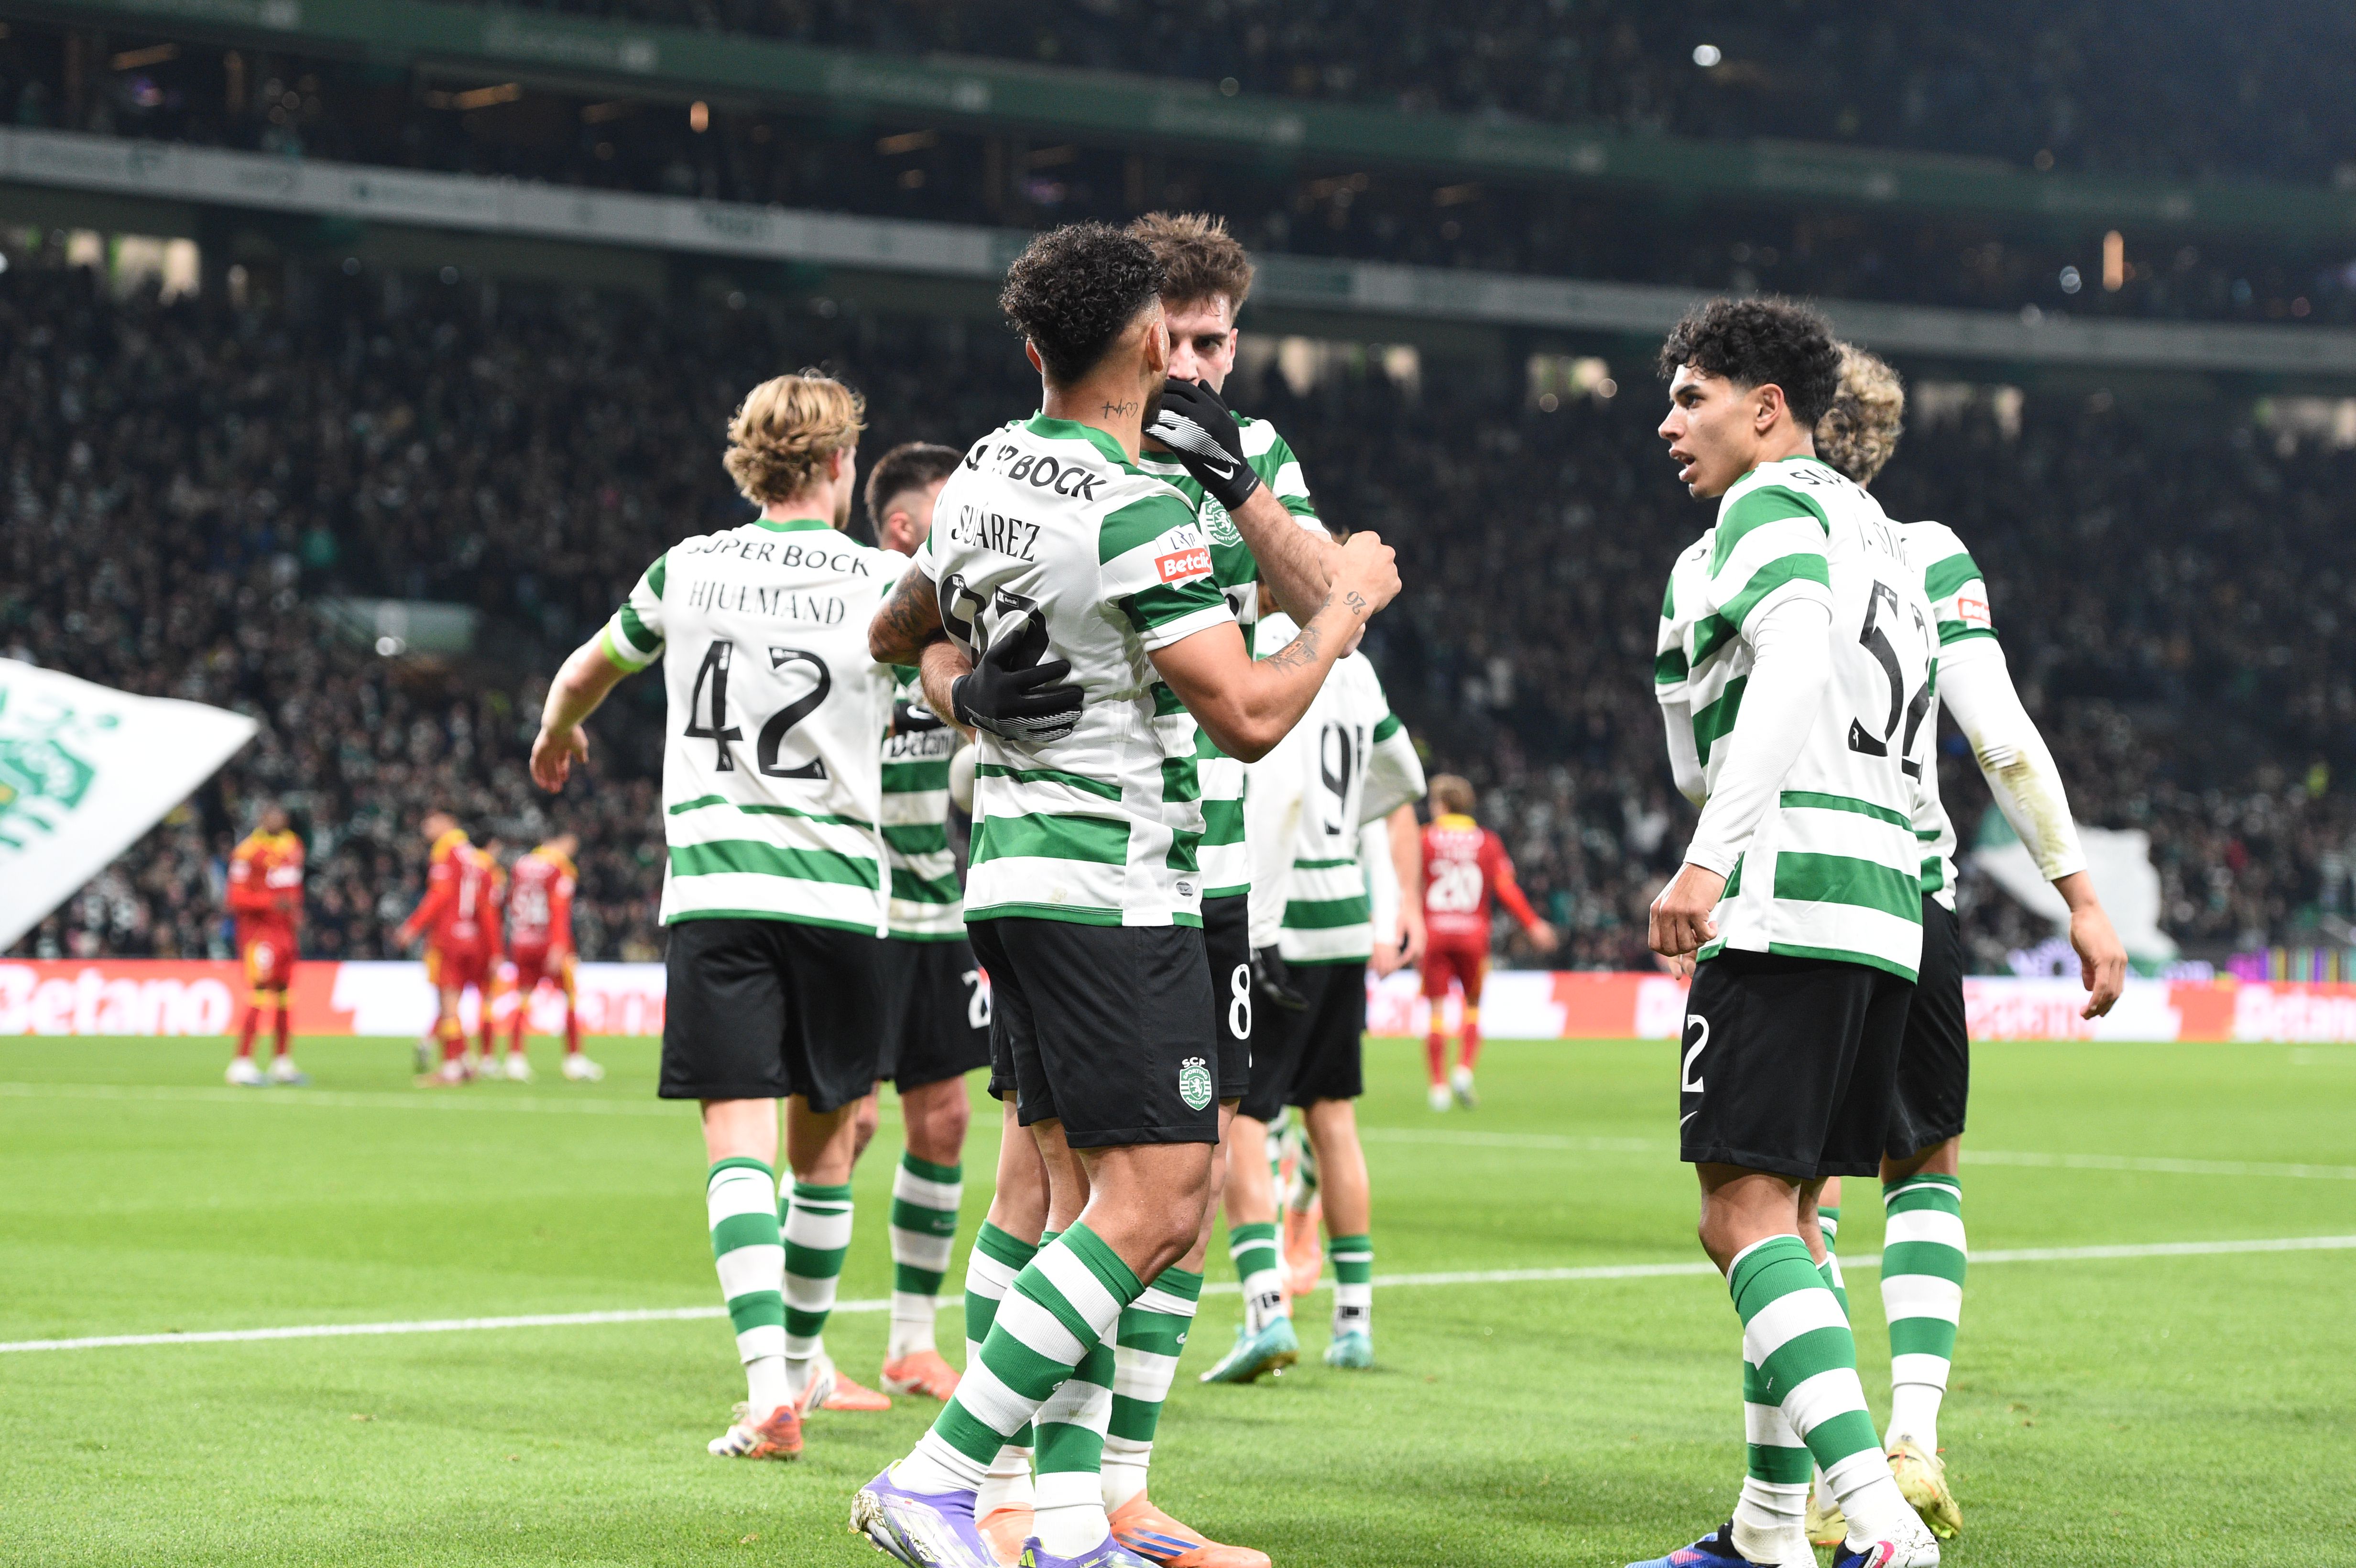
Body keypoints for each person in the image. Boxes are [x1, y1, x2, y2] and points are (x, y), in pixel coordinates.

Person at [851, 219, 1400, 1568]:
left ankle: (1087, 1512)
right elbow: (1259, 704)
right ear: (1153, 339)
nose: (1202, 362)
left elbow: (898, 629)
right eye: (1185, 337)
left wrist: (958, 688)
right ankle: (955, 1481)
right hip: (1120, 886)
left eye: (1224, 342)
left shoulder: (991, 465)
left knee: (1115, 1190)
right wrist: (1354, 606)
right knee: (1144, 1197)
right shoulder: (1129, 500)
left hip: (1058, 879)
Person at [530, 370, 903, 1463]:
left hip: (721, 893)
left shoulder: (686, 568)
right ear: (841, 465)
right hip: (839, 894)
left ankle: (766, 1393)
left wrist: (558, 735)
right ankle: (804, 1359)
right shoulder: (889, 579)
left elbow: (583, 671)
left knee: (736, 1144)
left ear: (749, 462)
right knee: (827, 1150)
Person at [1800, 344, 2128, 1546]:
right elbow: (2000, 735)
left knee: (1794, 1188)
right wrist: (2082, 897)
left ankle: (1822, 1482)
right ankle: (1914, 1436)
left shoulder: (1748, 541)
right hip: (1915, 892)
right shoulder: (1928, 550)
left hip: (1792, 891)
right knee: (1925, 1161)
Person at [1639, 296, 1943, 1568]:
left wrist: (1711, 856)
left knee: (1741, 1217)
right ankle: (1767, 1528)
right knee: (1802, 1216)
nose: (1669, 424)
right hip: (1884, 899)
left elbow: (1799, 661)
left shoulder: (1767, 506)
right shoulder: (1879, 529)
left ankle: (1877, 1529)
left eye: (1692, 396)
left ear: (1767, 410)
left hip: (1790, 888)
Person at [1204, 608, 1424, 1381]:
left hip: (1282, 916)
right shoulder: (1357, 669)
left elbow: (1281, 789)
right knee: (1332, 1118)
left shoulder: (1265, 646)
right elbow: (1404, 778)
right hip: (1343, 919)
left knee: (1244, 1118)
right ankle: (1353, 1322)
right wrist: (1378, 893)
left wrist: (1254, 923)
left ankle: (1265, 1309)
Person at [861, 440, 994, 1405]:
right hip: (853, 904)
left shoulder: (965, 621)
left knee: (941, 1119)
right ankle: (793, 1352)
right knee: (844, 1120)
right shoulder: (861, 606)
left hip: (933, 909)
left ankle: (913, 1339)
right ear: (906, 529)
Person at [1415, 774, 1558, 1112]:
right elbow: (1506, 890)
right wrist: (1533, 925)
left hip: (1434, 933)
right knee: (1473, 1006)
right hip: (1472, 936)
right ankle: (1463, 1070)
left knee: (1436, 1013)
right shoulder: (1487, 842)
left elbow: (1407, 882)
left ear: (1441, 805)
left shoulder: (1425, 839)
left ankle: (1438, 1088)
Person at [397, 812, 501, 1086]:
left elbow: (440, 895)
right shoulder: (477, 858)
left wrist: (413, 926)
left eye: (430, 822)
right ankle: (466, 1062)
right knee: (456, 1005)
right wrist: (494, 950)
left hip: (449, 937)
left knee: (448, 1005)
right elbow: (487, 908)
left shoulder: (446, 851)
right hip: (473, 938)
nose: (425, 828)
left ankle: (451, 1068)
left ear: (448, 823)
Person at [504, 832, 603, 1083]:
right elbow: (560, 908)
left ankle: (515, 1059)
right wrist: (559, 946)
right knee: (570, 998)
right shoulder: (560, 867)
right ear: (563, 841)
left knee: (523, 999)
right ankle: (574, 1060)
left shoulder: (521, 864)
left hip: (522, 939)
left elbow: (511, 901)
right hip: (550, 942)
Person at [224, 802, 306, 1087]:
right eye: (272, 815)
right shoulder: (247, 852)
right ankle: (241, 1064)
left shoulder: (293, 845)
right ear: (262, 819)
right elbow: (234, 898)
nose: (278, 819)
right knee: (258, 994)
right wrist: (272, 902)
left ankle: (282, 1063)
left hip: (285, 935)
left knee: (284, 996)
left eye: (282, 815)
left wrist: (295, 914)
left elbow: (293, 889)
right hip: (259, 936)